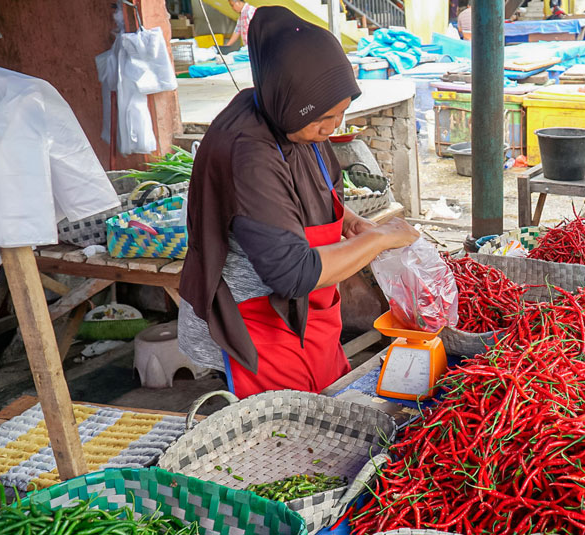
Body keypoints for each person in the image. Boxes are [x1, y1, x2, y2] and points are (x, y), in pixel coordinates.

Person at [178, 6, 420, 399]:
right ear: (291, 100)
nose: (333, 128)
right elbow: (291, 275)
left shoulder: (293, 121)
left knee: (335, 409)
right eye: (325, 117)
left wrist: (349, 222)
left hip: (312, 314)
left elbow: (319, 191)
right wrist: (380, 239)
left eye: (342, 112)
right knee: (287, 437)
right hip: (257, 320)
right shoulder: (248, 155)